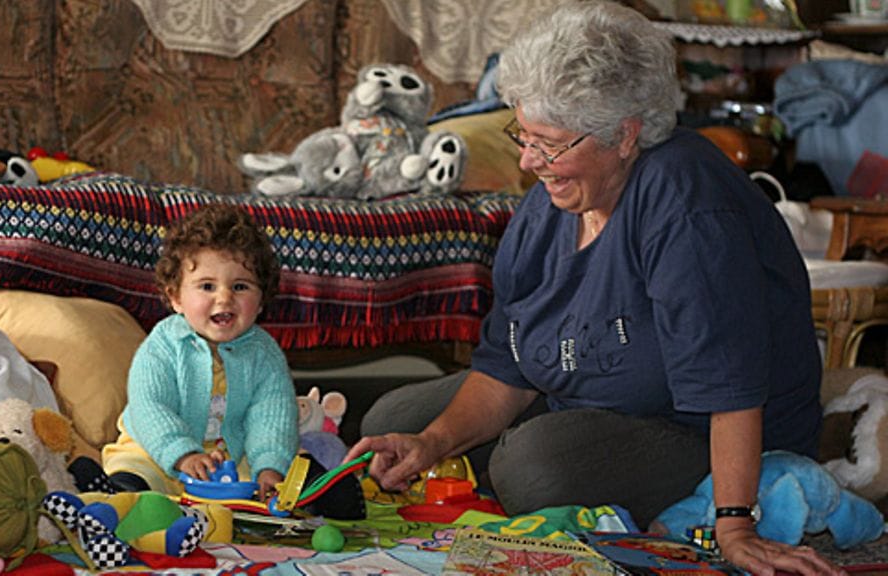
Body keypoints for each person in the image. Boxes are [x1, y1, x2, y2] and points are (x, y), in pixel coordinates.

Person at [345, 2, 845, 575]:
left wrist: (733, 522)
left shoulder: (685, 205)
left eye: (550, 144)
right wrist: (432, 443)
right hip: (587, 393)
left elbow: (730, 388)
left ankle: (557, 465)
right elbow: (509, 367)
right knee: (397, 419)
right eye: (524, 135)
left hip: (703, 428)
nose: (531, 161)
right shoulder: (549, 205)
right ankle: (513, 453)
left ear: (625, 135)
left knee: (534, 470)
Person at [103, 203, 297, 500]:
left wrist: (269, 468)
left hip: (229, 459)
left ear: (261, 302)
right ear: (176, 297)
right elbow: (150, 406)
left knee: (263, 481)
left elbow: (272, 417)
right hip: (158, 450)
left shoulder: (264, 355)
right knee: (137, 471)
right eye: (207, 286)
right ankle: (122, 494)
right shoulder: (163, 345)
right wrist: (183, 455)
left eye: (241, 287)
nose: (225, 298)